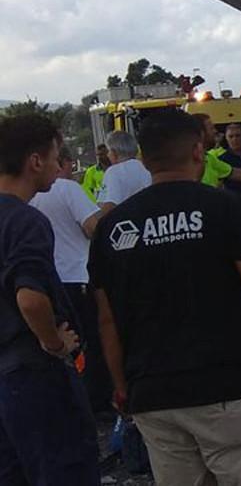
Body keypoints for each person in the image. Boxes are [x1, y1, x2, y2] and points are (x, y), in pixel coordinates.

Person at [89, 109, 241, 485]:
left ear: (143, 158)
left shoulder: (113, 229)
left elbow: (107, 321)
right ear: (198, 152)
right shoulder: (223, 209)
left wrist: (122, 387)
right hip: (227, 392)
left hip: (155, 397)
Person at [0, 114, 99, 483]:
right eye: (57, 157)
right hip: (32, 374)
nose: (60, 168)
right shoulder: (24, 221)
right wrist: (53, 343)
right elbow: (30, 298)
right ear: (35, 161)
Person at [30, 145, 111, 413]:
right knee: (90, 340)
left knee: (62, 345)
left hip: (45, 282)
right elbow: (92, 227)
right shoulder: (67, 189)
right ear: (63, 163)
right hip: (79, 276)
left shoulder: (25, 197)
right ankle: (96, 399)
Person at [97, 130, 151, 217]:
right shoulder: (146, 168)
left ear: (115, 152)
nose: (108, 155)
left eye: (109, 151)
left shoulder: (113, 172)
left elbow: (109, 204)